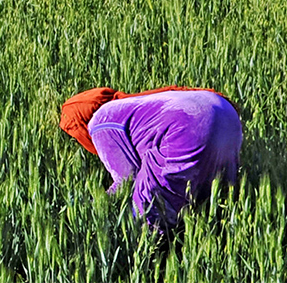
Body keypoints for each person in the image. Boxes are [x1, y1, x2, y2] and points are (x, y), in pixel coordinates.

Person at [59, 85, 243, 230]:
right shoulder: (134, 103)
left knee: (146, 215)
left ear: (79, 123)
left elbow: (126, 180)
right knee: (211, 198)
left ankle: (159, 262)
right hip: (225, 113)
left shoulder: (100, 121)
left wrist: (85, 209)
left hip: (186, 124)